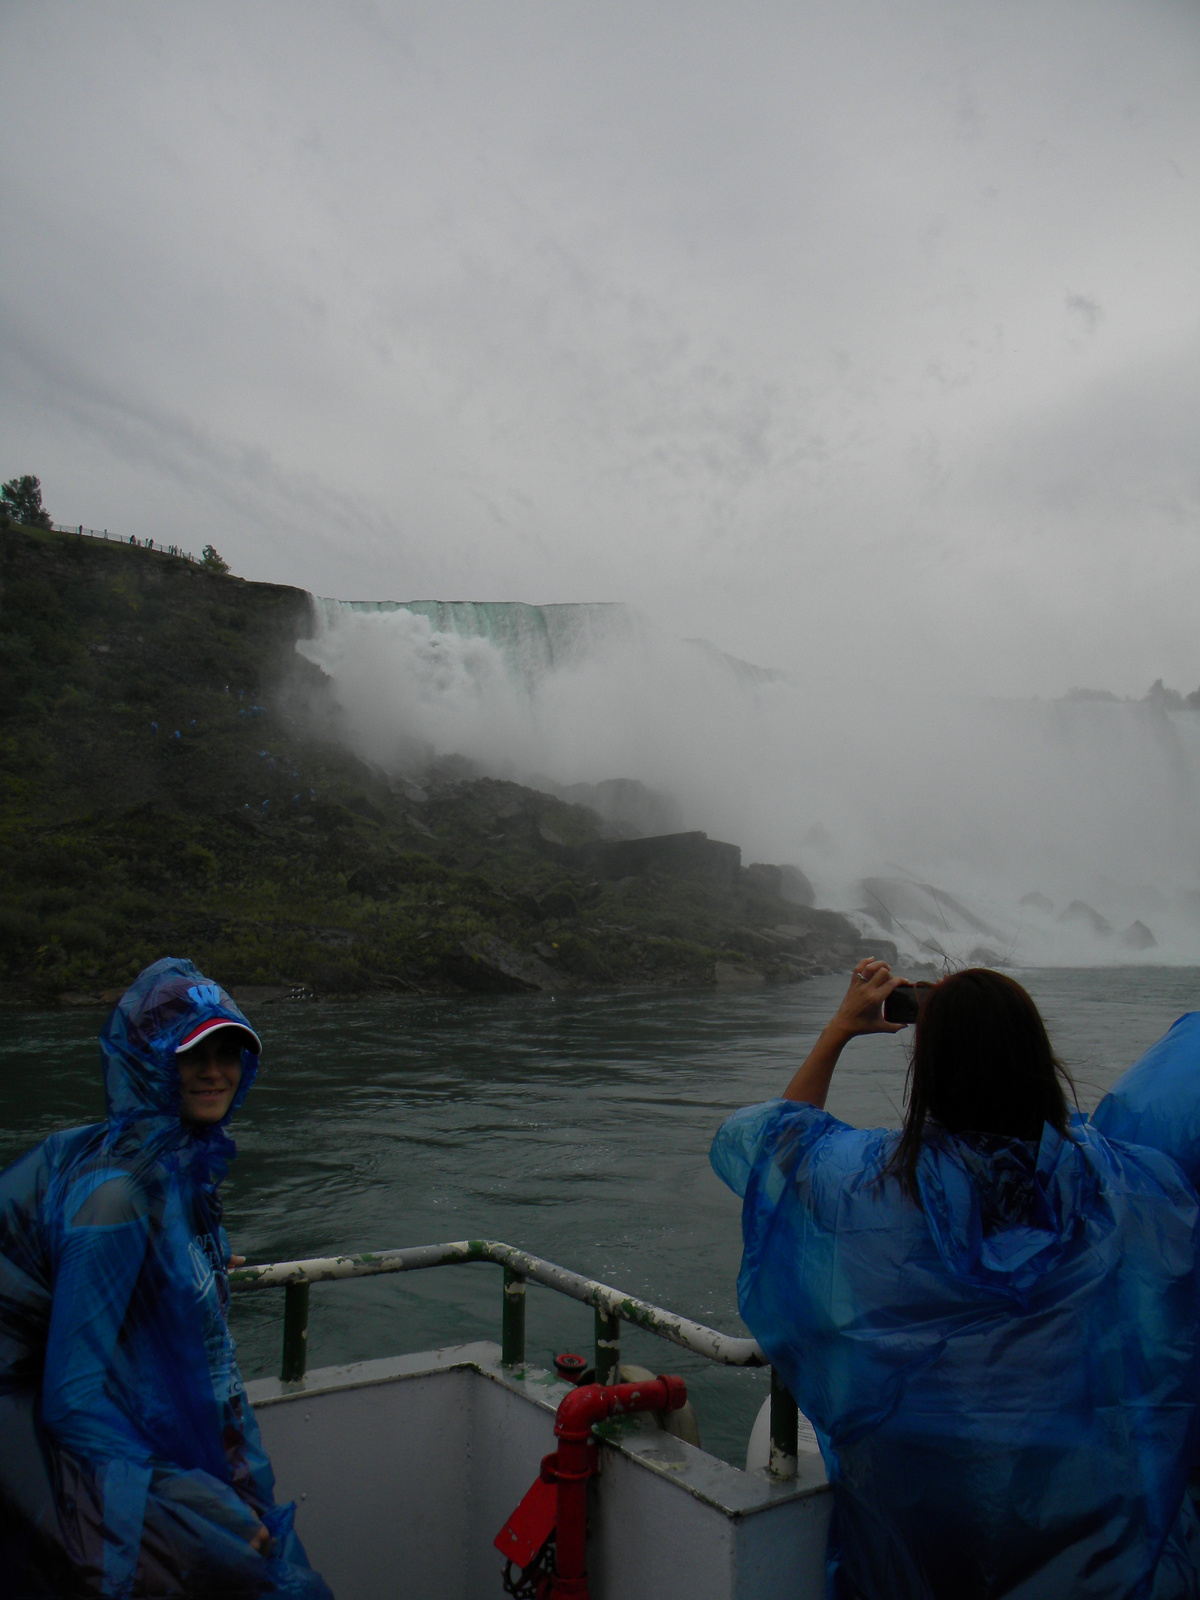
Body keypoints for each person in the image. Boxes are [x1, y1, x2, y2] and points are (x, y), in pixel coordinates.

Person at [711, 960, 1200, 1598]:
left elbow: (773, 1151)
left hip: (930, 1526)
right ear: (1038, 1060)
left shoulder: (865, 1184)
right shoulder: (1128, 1187)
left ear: (929, 1071)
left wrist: (839, 1029)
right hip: (1090, 1533)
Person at [0, 957, 332, 1599]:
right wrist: (206, 1507)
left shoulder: (174, 1167)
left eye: (229, 1050)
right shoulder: (117, 1195)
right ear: (149, 1064)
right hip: (91, 1459)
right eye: (191, 1055)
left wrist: (197, 1263)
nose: (214, 1072)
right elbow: (71, 1400)